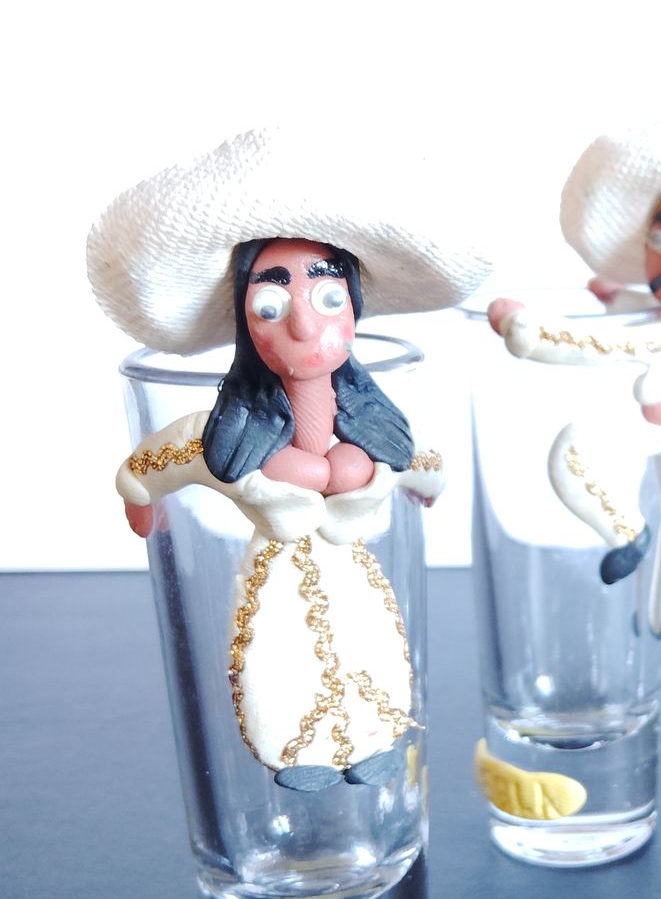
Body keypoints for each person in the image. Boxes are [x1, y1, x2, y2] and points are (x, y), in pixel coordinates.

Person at [88, 125, 489, 789]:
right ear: (246, 322)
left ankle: (372, 740)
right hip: (273, 580)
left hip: (354, 576)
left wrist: (428, 486)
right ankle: (296, 752)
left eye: (328, 298)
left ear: (353, 306)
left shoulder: (380, 434)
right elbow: (156, 461)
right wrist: (139, 501)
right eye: (272, 304)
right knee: (279, 661)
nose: (305, 325)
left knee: (370, 647)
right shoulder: (225, 441)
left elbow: (423, 462)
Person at [486, 113, 661, 634]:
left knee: (574, 451)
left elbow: (604, 344)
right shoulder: (657, 313)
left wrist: (525, 328)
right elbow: (631, 314)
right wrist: (614, 295)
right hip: (653, 425)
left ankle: (627, 534)